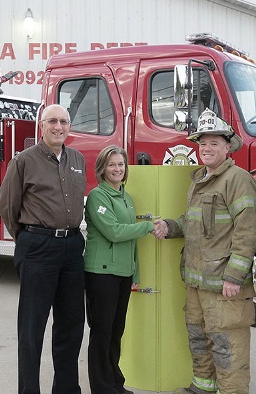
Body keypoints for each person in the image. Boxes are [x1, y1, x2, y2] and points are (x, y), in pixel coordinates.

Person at [154, 108, 256, 394]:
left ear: (228, 147)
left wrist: (235, 277)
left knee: (228, 347)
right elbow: (194, 222)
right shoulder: (199, 178)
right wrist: (169, 226)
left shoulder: (237, 179)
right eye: (203, 143)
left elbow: (247, 231)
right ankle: (202, 387)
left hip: (223, 284)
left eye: (214, 143)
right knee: (199, 340)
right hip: (197, 281)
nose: (207, 148)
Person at [0, 104, 87, 394]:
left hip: (72, 247)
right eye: (52, 121)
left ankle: (66, 389)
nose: (58, 126)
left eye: (63, 121)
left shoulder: (77, 159)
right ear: (42, 125)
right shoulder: (24, 161)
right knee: (32, 328)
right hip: (38, 247)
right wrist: (28, 240)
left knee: (72, 324)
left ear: (69, 126)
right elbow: (8, 208)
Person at [84, 145, 156, 394]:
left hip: (123, 274)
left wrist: (134, 272)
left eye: (121, 164)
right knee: (101, 333)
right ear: (102, 168)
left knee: (116, 332)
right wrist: (148, 227)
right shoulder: (97, 196)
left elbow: (131, 241)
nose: (117, 169)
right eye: (112, 164)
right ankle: (102, 388)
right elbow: (114, 232)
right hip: (101, 274)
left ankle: (115, 383)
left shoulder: (126, 197)